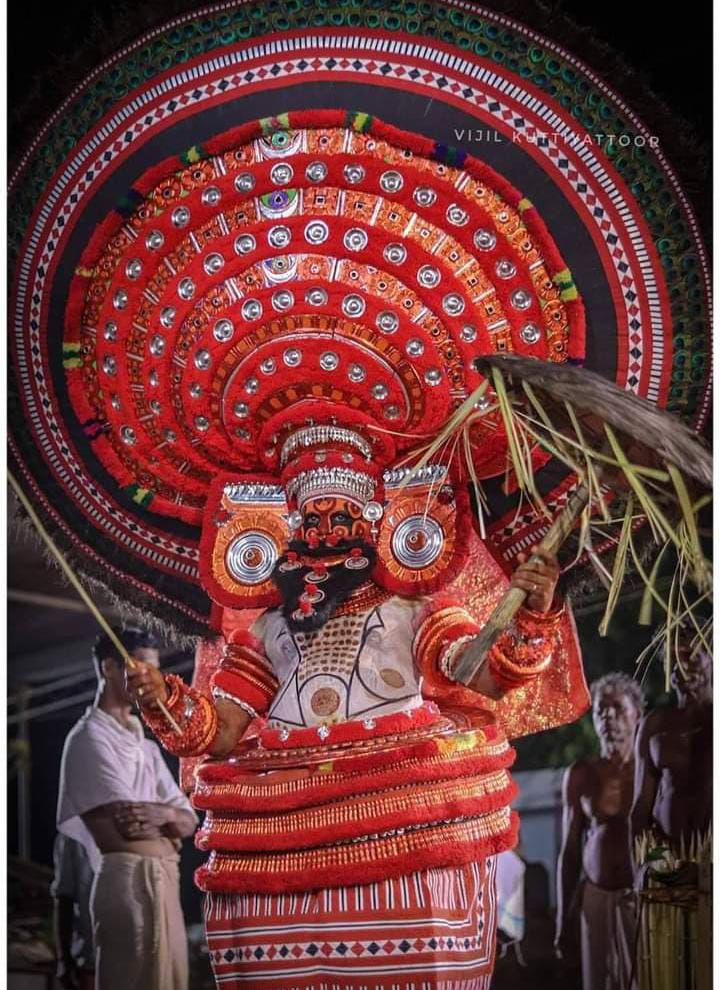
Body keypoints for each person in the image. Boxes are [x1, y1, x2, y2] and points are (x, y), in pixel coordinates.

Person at [125, 412, 588, 988]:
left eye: (341, 517)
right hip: (281, 828)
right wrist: (162, 700)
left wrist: (533, 619)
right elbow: (220, 732)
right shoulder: (269, 628)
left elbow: (481, 677)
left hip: (399, 816)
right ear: (286, 533)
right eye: (310, 521)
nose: (324, 534)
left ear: (372, 524)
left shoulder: (413, 609)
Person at [56, 627, 198, 990]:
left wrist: (166, 817)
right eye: (140, 669)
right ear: (109, 668)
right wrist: (168, 824)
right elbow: (130, 826)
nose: (149, 681)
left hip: (165, 879)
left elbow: (188, 819)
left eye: (155, 672)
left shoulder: (145, 747)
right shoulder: (88, 738)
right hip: (128, 881)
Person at [555, 672, 644, 990]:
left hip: (643, 898)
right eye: (600, 711)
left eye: (617, 708)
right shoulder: (582, 773)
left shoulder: (651, 769)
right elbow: (569, 851)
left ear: (637, 713)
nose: (608, 716)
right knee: (599, 982)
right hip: (595, 895)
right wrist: (563, 918)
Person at [631, 633, 712, 850]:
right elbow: (641, 808)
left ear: (711, 657)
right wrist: (646, 866)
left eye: (690, 656)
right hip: (669, 862)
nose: (681, 666)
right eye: (673, 659)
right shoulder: (655, 725)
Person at [51, 833, 95, 990]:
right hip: (91, 958)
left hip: (133, 955)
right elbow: (64, 899)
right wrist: (63, 959)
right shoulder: (73, 833)